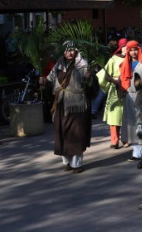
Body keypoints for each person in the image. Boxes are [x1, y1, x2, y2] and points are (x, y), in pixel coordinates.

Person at [43, 42, 93, 173]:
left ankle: (77, 164)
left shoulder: (83, 64)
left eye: (72, 50)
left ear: (76, 51)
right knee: (62, 133)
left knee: (76, 134)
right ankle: (68, 162)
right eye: (66, 50)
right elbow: (50, 79)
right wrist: (44, 81)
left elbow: (91, 83)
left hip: (77, 105)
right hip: (61, 103)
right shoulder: (58, 64)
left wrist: (89, 77)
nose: (69, 53)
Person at [119, 41, 142, 162]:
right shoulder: (124, 64)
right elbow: (121, 80)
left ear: (139, 50)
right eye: (131, 50)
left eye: (135, 49)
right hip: (129, 96)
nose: (133, 52)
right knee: (131, 124)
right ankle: (137, 152)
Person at [97, 41, 126, 148]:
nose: (126, 48)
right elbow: (105, 73)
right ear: (121, 48)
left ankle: (126, 139)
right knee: (114, 116)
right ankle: (114, 140)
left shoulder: (132, 58)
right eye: (124, 46)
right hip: (115, 89)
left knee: (126, 115)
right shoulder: (113, 59)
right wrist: (108, 81)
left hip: (128, 89)